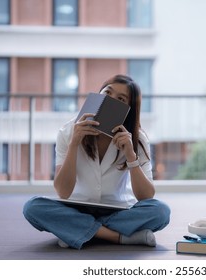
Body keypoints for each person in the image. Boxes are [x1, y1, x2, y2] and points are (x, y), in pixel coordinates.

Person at [23, 74, 170, 249]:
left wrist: (131, 156)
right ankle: (117, 237)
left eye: (121, 99)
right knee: (32, 207)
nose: (111, 100)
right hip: (77, 208)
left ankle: (76, 231)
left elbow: (146, 196)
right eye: (107, 93)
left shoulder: (137, 140)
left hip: (117, 210)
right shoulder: (68, 131)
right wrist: (74, 144)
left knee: (161, 211)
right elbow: (63, 191)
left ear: (129, 109)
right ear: (98, 94)